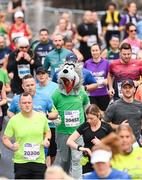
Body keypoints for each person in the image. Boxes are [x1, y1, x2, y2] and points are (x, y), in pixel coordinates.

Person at [52, 61, 90, 179]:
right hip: (62, 131)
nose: (67, 82)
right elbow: (52, 109)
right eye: (64, 80)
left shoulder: (82, 92)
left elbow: (87, 107)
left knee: (77, 160)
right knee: (64, 160)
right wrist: (55, 119)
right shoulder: (57, 93)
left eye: (68, 80)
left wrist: (88, 124)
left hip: (78, 132)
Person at [2, 92, 51, 179]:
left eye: (29, 102)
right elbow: (5, 138)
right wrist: (11, 146)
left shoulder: (41, 118)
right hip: (21, 161)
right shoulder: (14, 120)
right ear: (20, 105)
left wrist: (47, 139)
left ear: (32, 103)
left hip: (39, 160)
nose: (27, 105)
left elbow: (47, 132)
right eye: (24, 103)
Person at [66, 104, 113, 173]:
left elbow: (115, 145)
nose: (89, 121)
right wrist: (81, 148)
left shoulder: (106, 127)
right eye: (87, 118)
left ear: (98, 115)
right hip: (88, 160)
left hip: (103, 160)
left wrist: (101, 144)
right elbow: (69, 141)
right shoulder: (85, 126)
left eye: (91, 118)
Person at [104, 79, 142, 145]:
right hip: (120, 143)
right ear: (121, 90)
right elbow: (103, 123)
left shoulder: (140, 105)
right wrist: (118, 126)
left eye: (130, 87)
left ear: (134, 90)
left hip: (137, 142)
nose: (128, 90)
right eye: (125, 88)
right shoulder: (114, 105)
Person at [36, 67, 58, 165]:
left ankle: (50, 166)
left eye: (43, 73)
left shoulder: (55, 86)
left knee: (53, 149)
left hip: (52, 121)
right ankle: (45, 168)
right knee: (44, 147)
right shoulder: (34, 87)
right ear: (36, 76)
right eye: (39, 74)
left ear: (47, 75)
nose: (41, 76)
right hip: (39, 123)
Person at [84, 43, 110, 111]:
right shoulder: (87, 63)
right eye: (93, 50)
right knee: (93, 114)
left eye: (96, 50)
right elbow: (84, 78)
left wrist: (107, 81)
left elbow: (110, 77)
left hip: (103, 93)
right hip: (91, 94)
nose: (95, 52)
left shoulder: (106, 63)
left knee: (104, 114)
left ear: (100, 51)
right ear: (91, 52)